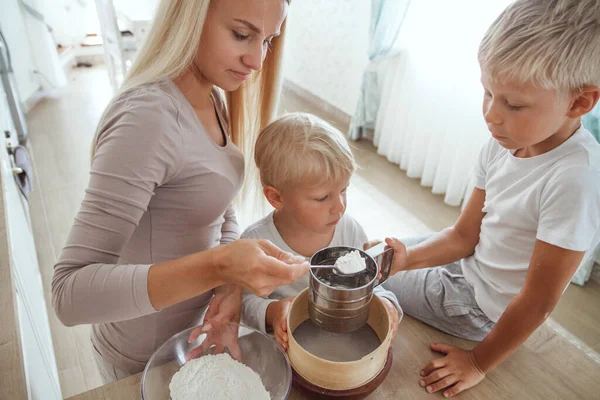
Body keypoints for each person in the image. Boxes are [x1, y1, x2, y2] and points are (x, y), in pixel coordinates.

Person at [51, 0, 308, 383]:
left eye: (268, 40)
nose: (257, 60)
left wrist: (228, 287)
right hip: (141, 358)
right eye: (241, 34)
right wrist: (219, 265)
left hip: (191, 340)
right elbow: (69, 295)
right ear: (192, 15)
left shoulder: (211, 94)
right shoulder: (149, 117)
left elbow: (219, 207)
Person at [381, 0, 600, 397]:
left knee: (372, 279)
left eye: (513, 104)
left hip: (479, 307)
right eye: (487, 92)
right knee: (378, 254)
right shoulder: (505, 141)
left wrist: (478, 361)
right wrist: (409, 259)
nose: (491, 115)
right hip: (468, 263)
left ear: (579, 102)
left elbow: (538, 302)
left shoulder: (576, 179)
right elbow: (464, 235)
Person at [240, 113, 401, 350]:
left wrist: (387, 303)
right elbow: (242, 302)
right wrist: (272, 312)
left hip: (338, 339)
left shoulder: (349, 229)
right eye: (322, 197)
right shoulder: (256, 244)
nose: (340, 206)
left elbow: (372, 284)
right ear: (276, 197)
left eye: (344, 190)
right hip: (284, 345)